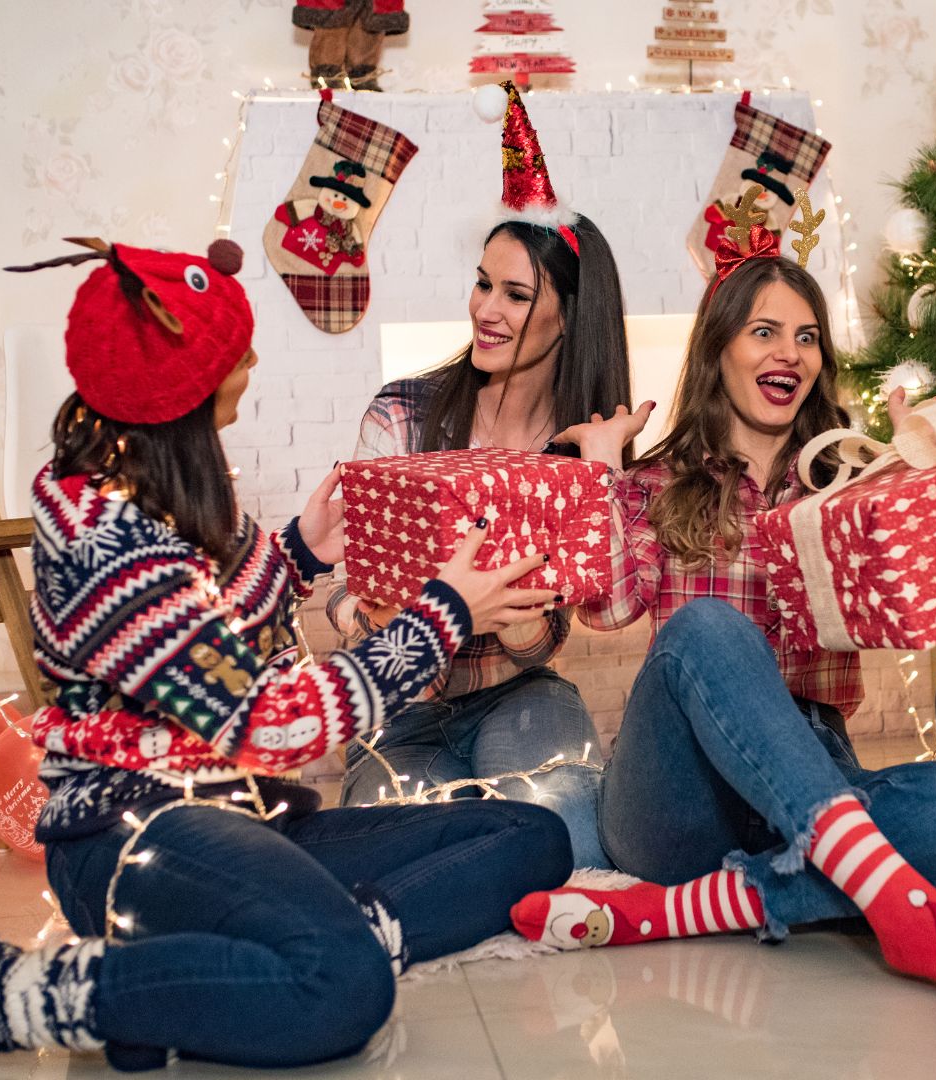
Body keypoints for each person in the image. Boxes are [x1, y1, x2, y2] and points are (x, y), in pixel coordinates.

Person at [0, 237, 572, 1079]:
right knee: (345, 990)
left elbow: (205, 627)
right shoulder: (109, 536)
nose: (252, 360)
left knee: (529, 835)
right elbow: (271, 721)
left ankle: (229, 964)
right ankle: (4, 991)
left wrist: (297, 550)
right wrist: (445, 611)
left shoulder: (161, 477)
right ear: (182, 390)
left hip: (241, 818)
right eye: (234, 354)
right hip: (136, 835)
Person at [509, 187, 936, 1005]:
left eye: (807, 337)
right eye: (765, 331)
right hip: (679, 791)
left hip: (811, 764)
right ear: (721, 351)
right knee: (707, 624)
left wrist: (910, 496)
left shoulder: (847, 486)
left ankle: (680, 913)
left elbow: (913, 613)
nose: (790, 352)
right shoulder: (656, 482)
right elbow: (605, 609)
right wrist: (600, 472)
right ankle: (879, 892)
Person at [327, 85, 627, 869]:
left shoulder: (578, 448)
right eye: (484, 282)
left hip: (519, 694)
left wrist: (602, 486)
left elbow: (598, 612)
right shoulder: (402, 417)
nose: (486, 308)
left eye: (517, 293)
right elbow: (330, 591)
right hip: (399, 705)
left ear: (571, 315)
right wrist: (369, 615)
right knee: (406, 855)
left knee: (569, 835)